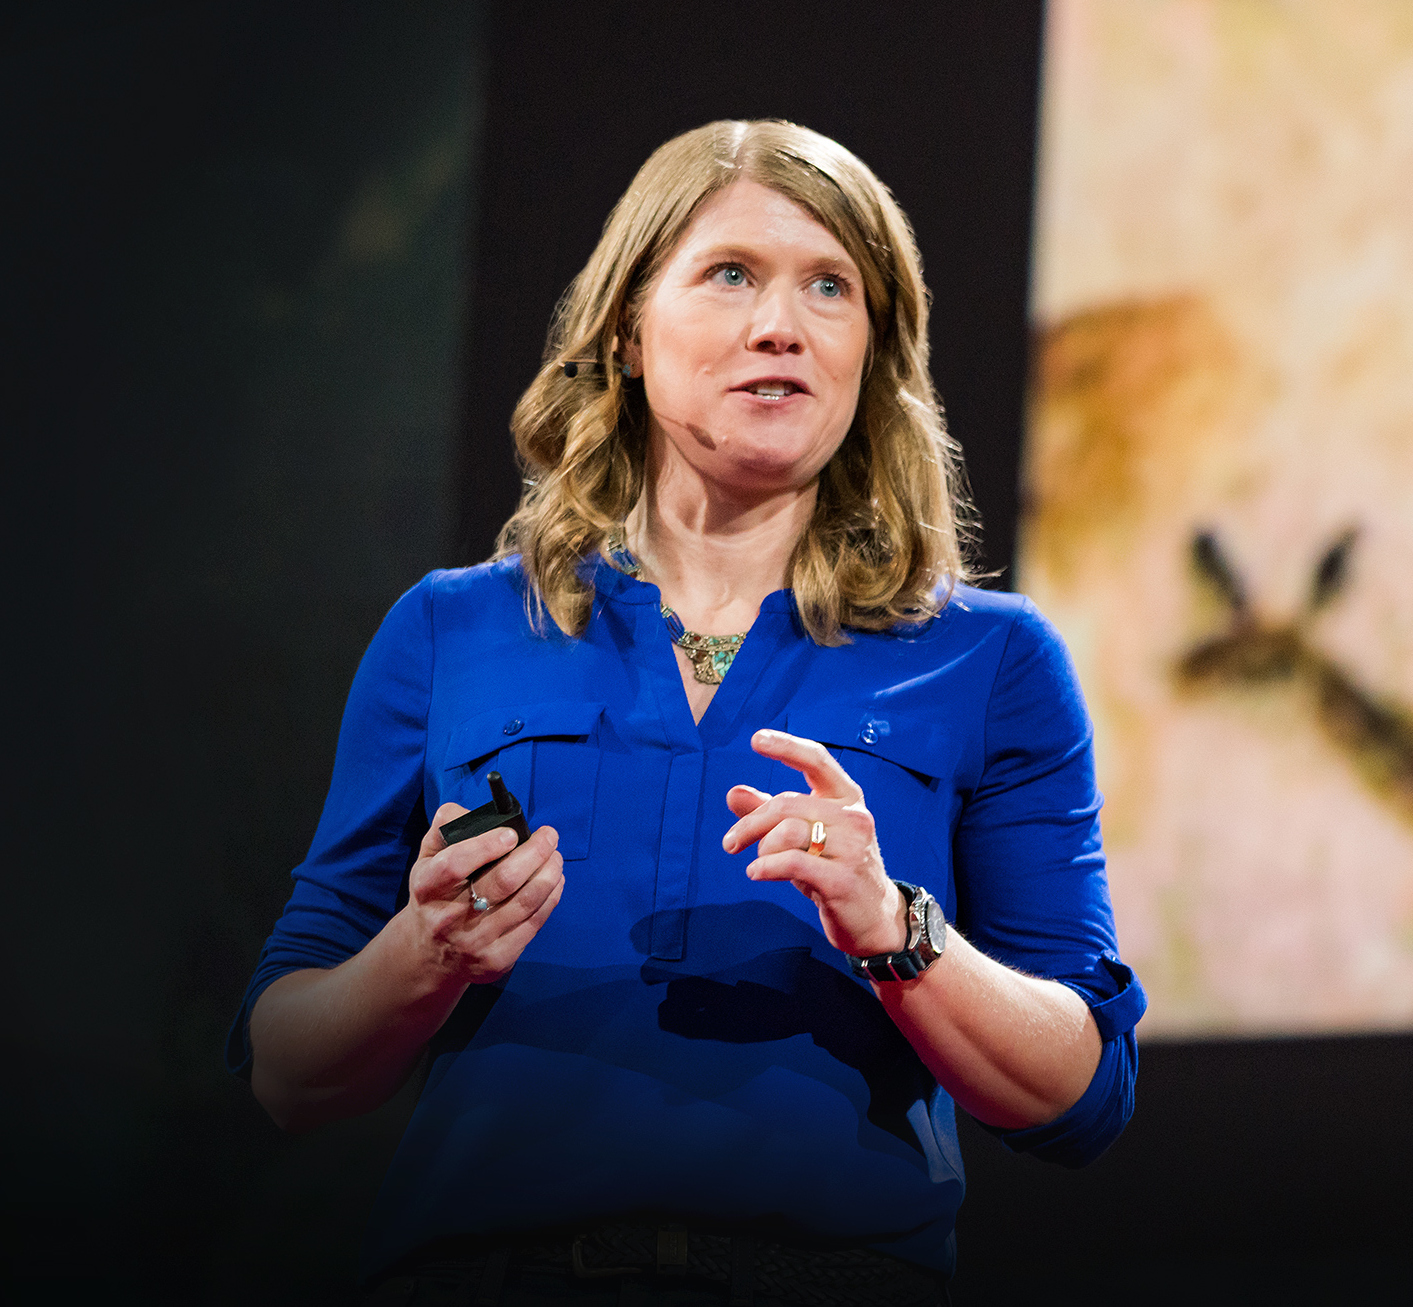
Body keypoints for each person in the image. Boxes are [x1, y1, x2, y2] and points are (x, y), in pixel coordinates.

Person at [228, 119, 1145, 1306]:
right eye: (731, 274)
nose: (783, 324)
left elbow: (1082, 1093)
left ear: (872, 348)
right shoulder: (453, 629)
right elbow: (286, 1073)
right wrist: (421, 954)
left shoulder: (987, 657)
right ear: (626, 329)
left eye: (831, 286)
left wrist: (895, 928)